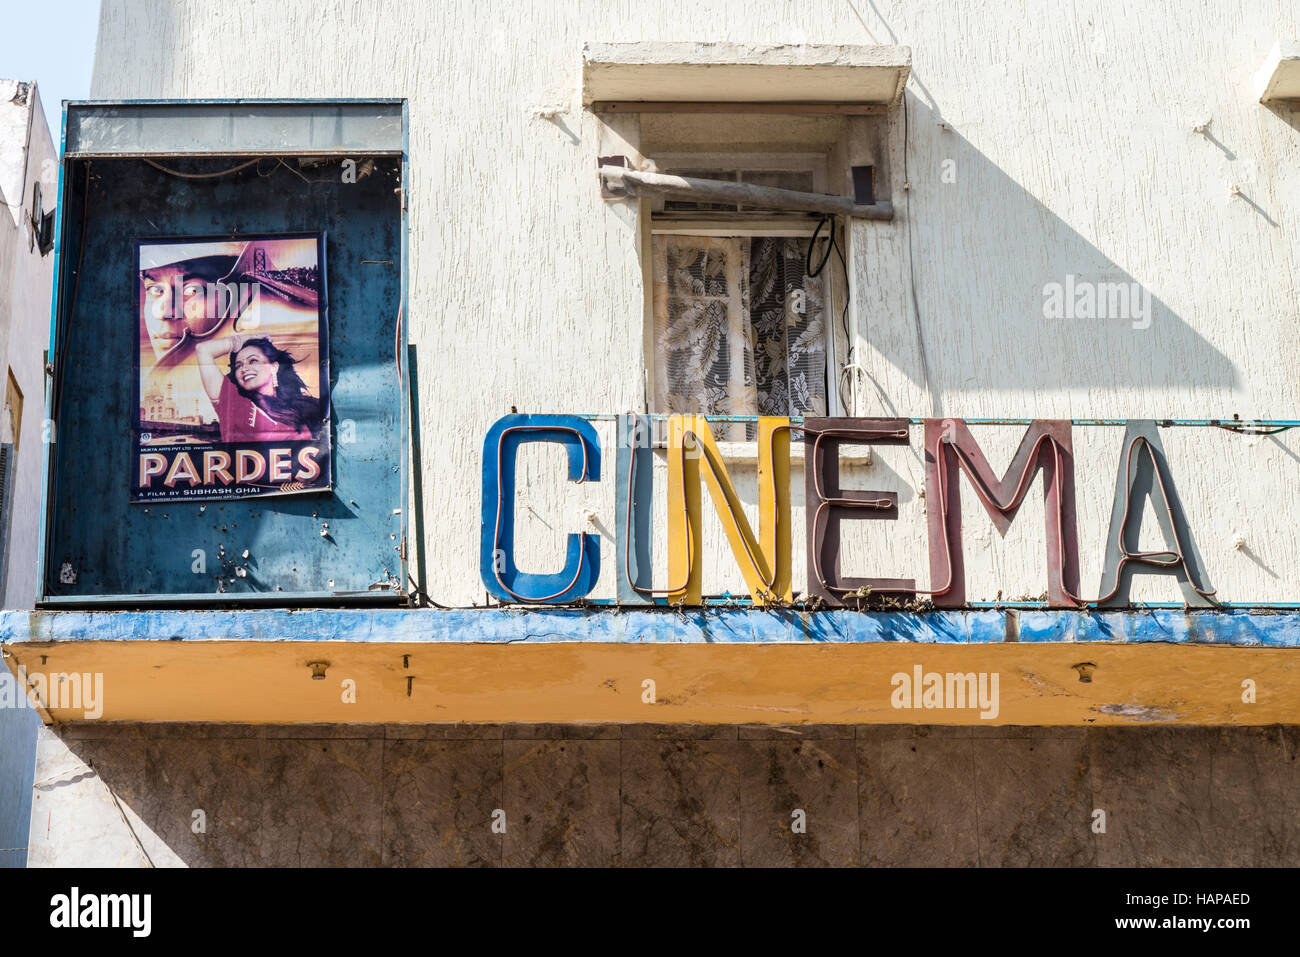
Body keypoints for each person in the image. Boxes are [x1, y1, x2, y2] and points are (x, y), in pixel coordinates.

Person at [195, 335, 324, 442]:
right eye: (239, 366)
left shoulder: (300, 408)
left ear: (273, 366)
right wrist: (243, 340)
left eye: (253, 361)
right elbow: (203, 350)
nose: (244, 368)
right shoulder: (233, 402)